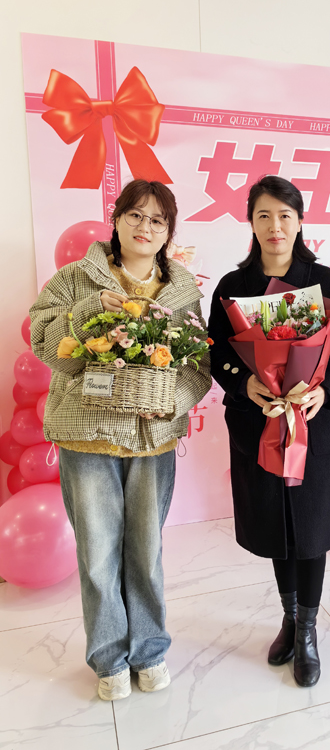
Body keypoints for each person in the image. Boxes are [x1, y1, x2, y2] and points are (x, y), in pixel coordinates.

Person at [29, 180, 211, 700]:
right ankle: (109, 658)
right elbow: (46, 346)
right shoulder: (76, 278)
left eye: (157, 220)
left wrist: (170, 400)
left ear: (168, 232)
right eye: (135, 215)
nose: (144, 227)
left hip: (153, 441)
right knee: (97, 553)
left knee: (146, 552)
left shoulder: (182, 290)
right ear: (116, 219)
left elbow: (198, 366)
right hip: (87, 438)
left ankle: (149, 650)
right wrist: (89, 312)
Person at [208, 175, 330, 687]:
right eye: (264, 216)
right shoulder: (232, 287)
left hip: (312, 425)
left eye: (285, 216)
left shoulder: (325, 281)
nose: (275, 226)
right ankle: (290, 618)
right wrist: (245, 383)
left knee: (311, 526)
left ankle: (309, 630)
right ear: (251, 223)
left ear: (299, 222)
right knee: (277, 525)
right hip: (259, 422)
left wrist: (326, 391)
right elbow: (217, 351)